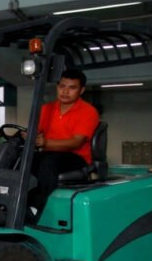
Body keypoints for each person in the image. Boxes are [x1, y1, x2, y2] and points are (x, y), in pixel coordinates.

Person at [28, 68, 100, 214]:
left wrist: (46, 143)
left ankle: (37, 207)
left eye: (72, 88)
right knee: (22, 159)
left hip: (77, 158)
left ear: (81, 90)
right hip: (49, 155)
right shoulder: (46, 109)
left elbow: (76, 142)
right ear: (57, 87)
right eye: (62, 86)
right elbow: (34, 132)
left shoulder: (88, 111)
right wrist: (26, 136)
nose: (65, 92)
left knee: (49, 161)